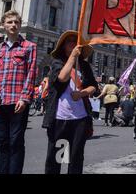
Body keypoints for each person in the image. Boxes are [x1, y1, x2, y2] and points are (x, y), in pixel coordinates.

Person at [42, 30, 97, 174]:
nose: (73, 43)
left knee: (76, 158)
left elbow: (93, 86)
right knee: (58, 158)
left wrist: (82, 93)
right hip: (60, 119)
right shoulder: (57, 62)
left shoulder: (84, 66)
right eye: (69, 41)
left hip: (80, 119)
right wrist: (72, 58)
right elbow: (61, 78)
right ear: (64, 46)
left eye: (75, 41)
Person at [0, 10, 37, 174]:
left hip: (18, 102)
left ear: (19, 25)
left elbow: (31, 74)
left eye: (16, 22)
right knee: (2, 141)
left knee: (16, 141)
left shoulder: (29, 47)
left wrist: (24, 98)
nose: (13, 25)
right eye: (9, 22)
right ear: (3, 25)